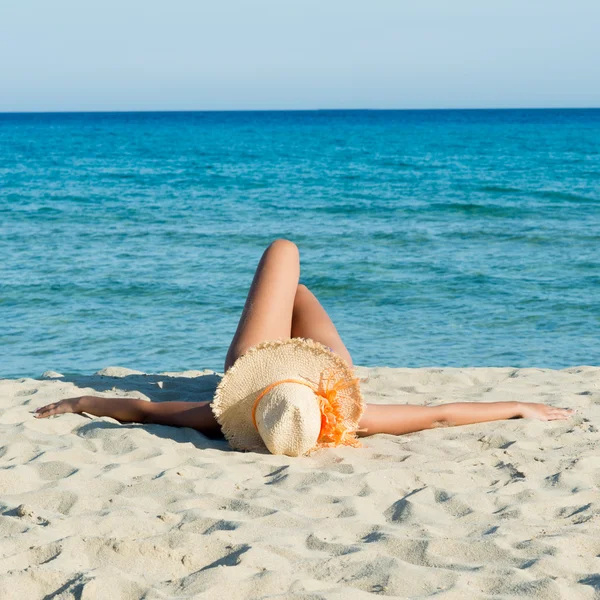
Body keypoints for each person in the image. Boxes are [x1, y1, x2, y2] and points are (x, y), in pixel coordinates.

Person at [35, 239, 575, 455]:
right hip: (302, 375)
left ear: (255, 409)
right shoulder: (350, 417)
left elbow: (138, 411)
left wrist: (79, 403)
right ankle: (291, 300)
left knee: (283, 253)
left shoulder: (211, 418)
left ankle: (288, 301)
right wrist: (517, 406)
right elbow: (438, 417)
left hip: (285, 375)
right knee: (290, 272)